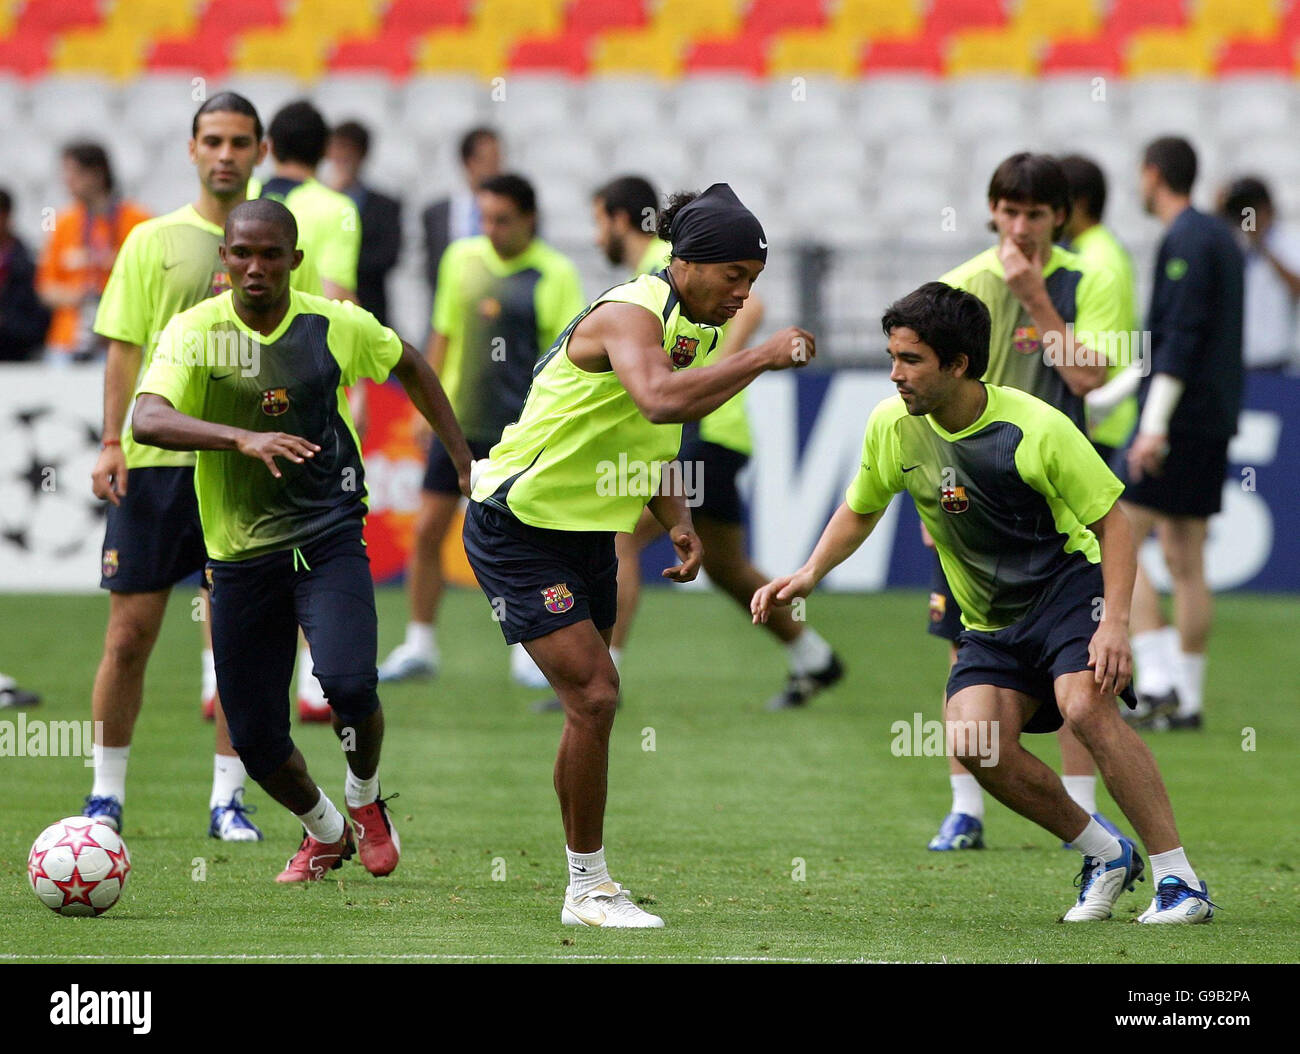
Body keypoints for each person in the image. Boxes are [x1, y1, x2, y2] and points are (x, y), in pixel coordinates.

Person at [753, 281, 1215, 925]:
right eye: (892, 357)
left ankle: (1180, 881)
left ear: (959, 364)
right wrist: (807, 573)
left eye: (910, 360)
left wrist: (1114, 624)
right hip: (991, 619)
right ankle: (1106, 854)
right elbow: (861, 508)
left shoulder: (1035, 428)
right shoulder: (893, 425)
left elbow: (1114, 523)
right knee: (975, 743)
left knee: (1083, 704)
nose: (895, 375)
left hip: (1067, 589)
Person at [462, 183, 815, 926]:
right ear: (686, 262)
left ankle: (583, 883)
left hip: (583, 530)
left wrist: (678, 519)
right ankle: (587, 889)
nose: (745, 291)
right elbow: (657, 400)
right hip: (516, 525)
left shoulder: (698, 324)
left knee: (586, 705)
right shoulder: (629, 312)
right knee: (596, 694)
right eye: (735, 276)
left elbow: (641, 434)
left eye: (754, 278)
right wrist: (762, 356)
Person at [131, 198, 472, 883]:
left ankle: (365, 798)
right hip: (238, 555)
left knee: (347, 683)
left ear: (295, 260)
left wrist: (462, 460)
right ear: (224, 260)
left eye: (269, 254)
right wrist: (240, 437)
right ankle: (325, 829)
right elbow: (147, 418)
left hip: (329, 532)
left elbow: (408, 361)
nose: (255, 267)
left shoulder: (331, 324)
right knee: (256, 741)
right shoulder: (196, 332)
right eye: (241, 254)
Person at [547, 174, 840, 714]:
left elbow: (748, 309)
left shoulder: (676, 263)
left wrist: (733, 363)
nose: (595, 237)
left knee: (620, 541)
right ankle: (814, 657)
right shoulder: (662, 279)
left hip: (699, 433)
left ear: (618, 218)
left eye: (597, 222)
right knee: (728, 567)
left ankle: (602, 675)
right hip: (711, 431)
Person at [85, 93, 268, 841]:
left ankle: (228, 799)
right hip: (158, 467)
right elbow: (123, 346)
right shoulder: (151, 241)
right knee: (129, 637)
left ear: (260, 153)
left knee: (238, 642)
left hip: (243, 469)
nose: (225, 153)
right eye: (213, 140)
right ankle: (105, 795)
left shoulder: (279, 245)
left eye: (240, 142)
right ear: (193, 149)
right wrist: (108, 441)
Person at [924, 154, 1119, 852]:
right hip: (969, 507)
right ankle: (963, 809)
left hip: (1055, 507)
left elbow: (1089, 377)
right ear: (992, 211)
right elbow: (933, 405)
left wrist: (1038, 300)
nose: (1020, 225)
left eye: (1035, 212)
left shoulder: (1086, 282)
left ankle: (1079, 809)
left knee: (1075, 670)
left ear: (1059, 216)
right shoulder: (960, 287)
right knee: (961, 649)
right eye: (1008, 211)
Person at [378, 173, 584, 687]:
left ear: (529, 219)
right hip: (458, 425)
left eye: (502, 219)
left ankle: (528, 648)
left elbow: (565, 356)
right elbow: (441, 334)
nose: (491, 229)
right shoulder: (460, 260)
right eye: (485, 218)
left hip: (520, 431)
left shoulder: (555, 273)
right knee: (427, 529)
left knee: (524, 543)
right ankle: (420, 643)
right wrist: (427, 411)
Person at [1122, 137, 1245, 732]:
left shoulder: (1188, 239)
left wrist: (1152, 425)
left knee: (1116, 535)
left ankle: (1157, 678)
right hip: (1213, 417)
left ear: (1153, 175)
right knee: (1185, 556)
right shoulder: (1221, 235)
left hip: (1180, 422)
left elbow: (1180, 338)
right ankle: (1188, 699)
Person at [259, 99, 363, 720]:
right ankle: (308, 683)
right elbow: (339, 301)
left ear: (267, 144)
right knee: (313, 534)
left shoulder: (243, 200)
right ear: (326, 149)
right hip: (309, 388)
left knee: (231, 535)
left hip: (239, 383)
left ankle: (216, 681)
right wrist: (352, 396)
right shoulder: (335, 208)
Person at [1058, 154, 1140, 467]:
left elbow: (1096, 363)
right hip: (1106, 419)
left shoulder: (1096, 261)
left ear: (1078, 202)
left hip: (1099, 421)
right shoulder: (1102, 250)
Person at [36, 142, 149, 363]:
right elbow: (45, 288)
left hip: (122, 338)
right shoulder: (61, 223)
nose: (67, 181)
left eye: (74, 173)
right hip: (66, 343)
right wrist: (81, 296)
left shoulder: (139, 220)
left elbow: (154, 281)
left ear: (98, 174)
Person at [1218, 175, 1300, 374]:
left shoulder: (1288, 242)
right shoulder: (1232, 245)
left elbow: (1296, 288)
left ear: (1267, 209)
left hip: (1277, 363)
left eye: (1251, 210)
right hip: (1237, 363)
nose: (1248, 218)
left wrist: (1262, 245)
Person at [325, 120, 402, 326]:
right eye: (337, 149)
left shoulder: (386, 206)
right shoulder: (316, 199)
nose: (342, 158)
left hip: (370, 310)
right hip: (324, 309)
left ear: (362, 155)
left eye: (349, 151)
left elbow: (388, 257)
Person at [422, 127, 502, 313]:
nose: (496, 167)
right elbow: (432, 271)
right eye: (488, 160)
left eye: (497, 160)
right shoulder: (437, 213)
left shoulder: (514, 214)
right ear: (469, 162)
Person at [0, 187, 51, 360]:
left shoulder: (27, 264)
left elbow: (38, 322)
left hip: (19, 359)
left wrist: (6, 323)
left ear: (5, 215)